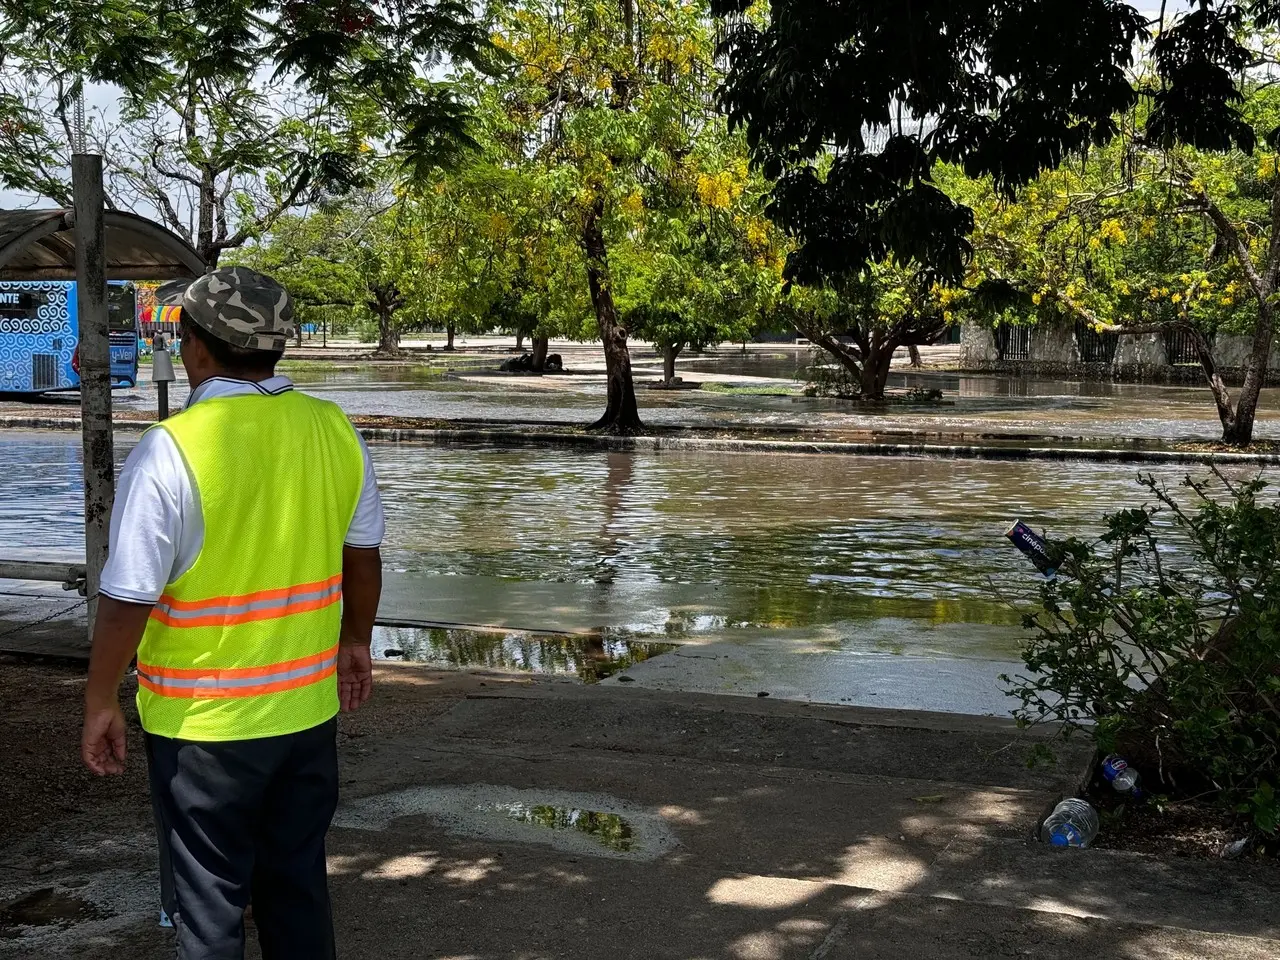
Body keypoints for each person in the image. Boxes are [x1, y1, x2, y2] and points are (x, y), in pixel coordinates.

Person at [80, 267, 385, 959]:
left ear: (194, 346)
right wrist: (356, 641)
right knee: (296, 886)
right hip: (306, 716)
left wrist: (101, 698)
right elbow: (362, 554)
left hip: (203, 728)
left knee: (209, 903)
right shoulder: (334, 428)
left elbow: (129, 594)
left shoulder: (172, 447)